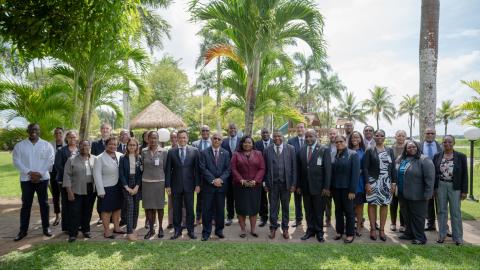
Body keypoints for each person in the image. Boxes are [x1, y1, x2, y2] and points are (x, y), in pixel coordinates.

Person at [12, 123, 55, 241]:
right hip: (26, 179)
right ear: (27, 131)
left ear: (39, 130)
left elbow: (50, 160)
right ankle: (23, 231)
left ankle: (46, 228)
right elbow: (16, 161)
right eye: (31, 129)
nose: (33, 131)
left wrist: (40, 173)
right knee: (26, 205)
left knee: (44, 204)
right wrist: (29, 173)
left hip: (43, 179)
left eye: (35, 129)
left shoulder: (46, 145)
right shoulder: (20, 146)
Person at [165, 130, 201, 240]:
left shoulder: (194, 151)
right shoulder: (171, 152)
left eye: (184, 137)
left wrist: (198, 184)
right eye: (180, 137)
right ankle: (177, 230)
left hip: (190, 185)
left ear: (187, 138)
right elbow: (168, 170)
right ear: (177, 139)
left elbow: (197, 170)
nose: (182, 140)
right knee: (176, 209)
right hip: (175, 186)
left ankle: (190, 230)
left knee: (190, 209)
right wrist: (168, 185)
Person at [397, 140, 435, 244]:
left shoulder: (424, 159)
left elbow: (430, 178)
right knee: (406, 215)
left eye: (414, 147)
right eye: (409, 147)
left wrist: (428, 193)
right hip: (402, 193)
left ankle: (420, 238)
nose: (411, 149)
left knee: (418, 216)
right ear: (405, 149)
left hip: (418, 194)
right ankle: (409, 233)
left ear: (418, 147)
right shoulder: (403, 159)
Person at [297, 129, 331, 243]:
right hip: (305, 187)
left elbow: (328, 170)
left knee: (318, 211)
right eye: (306, 137)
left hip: (319, 188)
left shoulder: (324, 149)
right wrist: (299, 186)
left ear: (316, 136)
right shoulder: (301, 150)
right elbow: (299, 170)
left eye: (310, 136)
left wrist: (326, 187)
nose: (308, 139)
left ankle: (319, 233)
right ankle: (310, 231)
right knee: (308, 211)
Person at [433, 135, 468, 245]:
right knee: (441, 211)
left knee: (455, 212)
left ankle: (458, 237)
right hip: (441, 186)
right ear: (442, 143)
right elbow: (434, 174)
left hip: (455, 187)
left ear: (454, 143)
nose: (447, 144)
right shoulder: (437, 156)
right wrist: (434, 188)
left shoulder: (461, 156)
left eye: (450, 142)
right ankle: (442, 235)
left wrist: (464, 191)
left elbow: (464, 175)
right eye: (445, 142)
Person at [363, 129, 396, 242]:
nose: (379, 137)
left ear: (384, 137)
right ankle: (372, 229)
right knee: (372, 204)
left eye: (382, 135)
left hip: (386, 181)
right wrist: (367, 183)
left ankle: (382, 230)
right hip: (373, 181)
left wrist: (393, 182)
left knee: (384, 204)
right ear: (374, 137)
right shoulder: (369, 150)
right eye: (377, 135)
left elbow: (392, 168)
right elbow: (365, 168)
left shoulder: (389, 150)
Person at [263, 130, 296, 239]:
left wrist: (293, 184)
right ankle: (273, 228)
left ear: (283, 137)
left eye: (279, 136)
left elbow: (294, 168)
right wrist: (265, 183)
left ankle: (285, 228)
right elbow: (264, 168)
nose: (277, 138)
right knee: (273, 207)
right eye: (275, 136)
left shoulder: (290, 149)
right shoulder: (267, 150)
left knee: (285, 207)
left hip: (286, 184)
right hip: (272, 184)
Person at [231, 135, 266, 238]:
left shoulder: (258, 153)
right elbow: (233, 169)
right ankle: (242, 229)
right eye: (245, 142)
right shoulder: (236, 154)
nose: (247, 144)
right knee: (241, 208)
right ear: (242, 143)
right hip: (240, 186)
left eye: (249, 142)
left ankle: (253, 229)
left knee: (253, 208)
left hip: (255, 186)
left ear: (252, 144)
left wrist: (255, 181)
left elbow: (262, 168)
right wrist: (241, 180)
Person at [199, 132, 231, 241]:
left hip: (221, 187)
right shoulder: (204, 153)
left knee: (220, 210)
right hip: (208, 187)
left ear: (222, 141)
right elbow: (203, 169)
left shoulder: (226, 153)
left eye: (219, 139)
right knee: (207, 210)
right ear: (211, 140)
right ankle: (206, 232)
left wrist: (220, 179)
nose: (216, 140)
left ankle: (219, 230)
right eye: (215, 138)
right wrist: (213, 180)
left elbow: (228, 169)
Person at [62, 140, 96, 242]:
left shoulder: (95, 159)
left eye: (86, 145)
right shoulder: (71, 160)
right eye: (82, 145)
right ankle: (73, 233)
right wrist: (69, 191)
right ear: (78, 146)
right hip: (76, 189)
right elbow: (67, 175)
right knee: (75, 212)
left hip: (91, 189)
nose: (84, 147)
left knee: (88, 211)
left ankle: (86, 230)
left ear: (90, 146)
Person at [93, 136, 124, 239]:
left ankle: (117, 227)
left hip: (119, 186)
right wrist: (100, 190)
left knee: (117, 208)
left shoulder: (121, 155)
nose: (113, 146)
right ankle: (107, 231)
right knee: (106, 210)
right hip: (106, 187)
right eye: (110, 144)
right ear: (106, 145)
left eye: (115, 144)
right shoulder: (99, 158)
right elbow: (96, 175)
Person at [331, 135, 359, 243]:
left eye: (341, 141)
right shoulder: (333, 154)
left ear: (345, 141)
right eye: (336, 142)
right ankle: (339, 231)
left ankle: (350, 234)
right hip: (336, 188)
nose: (338, 143)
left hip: (348, 189)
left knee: (349, 212)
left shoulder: (353, 154)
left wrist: (352, 190)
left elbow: (355, 174)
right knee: (338, 211)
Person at [141, 131, 168, 239]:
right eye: (151, 138)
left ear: (158, 139)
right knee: (149, 208)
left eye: (155, 138)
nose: (153, 140)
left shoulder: (164, 152)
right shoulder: (143, 151)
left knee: (159, 207)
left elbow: (165, 168)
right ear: (148, 139)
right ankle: (151, 229)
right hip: (146, 183)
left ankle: (160, 228)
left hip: (159, 183)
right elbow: (142, 166)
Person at [54, 130, 79, 233]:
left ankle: (76, 225)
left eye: (74, 137)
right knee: (66, 204)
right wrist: (69, 174)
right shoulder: (61, 150)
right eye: (70, 137)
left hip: (78, 182)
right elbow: (58, 166)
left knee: (76, 204)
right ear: (67, 139)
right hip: (64, 181)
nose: (72, 139)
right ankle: (67, 227)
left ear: (77, 138)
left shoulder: (79, 150)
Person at [119, 138, 142, 241]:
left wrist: (137, 186)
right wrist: (127, 187)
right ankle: (129, 233)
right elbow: (121, 174)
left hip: (137, 185)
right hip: (126, 185)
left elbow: (141, 174)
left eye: (134, 145)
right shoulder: (123, 158)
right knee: (130, 207)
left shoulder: (139, 158)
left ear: (137, 147)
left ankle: (133, 228)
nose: (132, 147)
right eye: (130, 145)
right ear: (127, 146)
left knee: (136, 207)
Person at [419, 127, 442, 231]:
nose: (430, 135)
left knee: (440, 202)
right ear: (424, 134)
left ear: (435, 134)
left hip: (438, 178)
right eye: (428, 133)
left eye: (432, 133)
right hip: (423, 178)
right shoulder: (419, 146)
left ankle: (443, 226)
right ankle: (430, 223)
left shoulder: (441, 146)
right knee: (428, 201)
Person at [91, 123, 112, 225]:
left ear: (110, 130)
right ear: (100, 130)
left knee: (111, 196)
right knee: (101, 196)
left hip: (111, 175)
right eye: (103, 128)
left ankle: (111, 216)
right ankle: (101, 216)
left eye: (107, 128)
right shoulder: (95, 144)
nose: (105, 130)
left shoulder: (114, 142)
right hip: (100, 174)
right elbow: (93, 158)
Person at [221, 123, 241, 226]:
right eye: (230, 128)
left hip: (239, 173)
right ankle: (229, 216)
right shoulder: (224, 142)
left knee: (239, 195)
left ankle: (240, 216)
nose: (232, 130)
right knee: (229, 196)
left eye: (234, 128)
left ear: (236, 130)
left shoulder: (241, 141)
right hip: (227, 174)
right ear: (228, 130)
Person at [287, 122, 306, 227]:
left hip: (308, 177)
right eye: (298, 127)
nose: (300, 129)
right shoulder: (291, 141)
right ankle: (298, 219)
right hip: (296, 175)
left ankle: (310, 219)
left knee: (308, 200)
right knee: (297, 199)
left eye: (301, 127)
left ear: (305, 128)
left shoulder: (309, 139)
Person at [192, 125, 212, 226]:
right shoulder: (195, 144)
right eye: (203, 130)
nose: (205, 132)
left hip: (212, 175)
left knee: (212, 198)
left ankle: (211, 218)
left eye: (207, 130)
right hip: (199, 176)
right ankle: (198, 218)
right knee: (199, 199)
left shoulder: (214, 142)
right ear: (200, 132)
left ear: (209, 131)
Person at [348, 131, 366, 236]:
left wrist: (360, 170)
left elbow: (366, 167)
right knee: (349, 207)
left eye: (357, 137)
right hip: (348, 183)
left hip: (359, 183)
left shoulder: (364, 152)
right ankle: (349, 226)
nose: (355, 139)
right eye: (353, 137)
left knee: (359, 206)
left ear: (360, 139)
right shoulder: (346, 151)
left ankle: (358, 227)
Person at [254, 127, 272, 227]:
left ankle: (274, 218)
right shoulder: (256, 144)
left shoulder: (275, 141)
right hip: (260, 174)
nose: (265, 134)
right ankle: (263, 217)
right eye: (263, 133)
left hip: (273, 175)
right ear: (261, 134)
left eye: (267, 132)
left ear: (270, 133)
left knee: (273, 198)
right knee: (262, 198)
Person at [391, 130, 407, 232]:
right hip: (393, 178)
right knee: (393, 202)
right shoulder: (390, 149)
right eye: (399, 136)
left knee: (403, 203)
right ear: (395, 137)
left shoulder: (408, 148)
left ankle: (402, 224)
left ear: (405, 137)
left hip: (404, 180)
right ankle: (393, 223)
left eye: (402, 136)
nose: (400, 137)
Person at [49, 127, 64, 226]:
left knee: (65, 195)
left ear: (62, 134)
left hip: (64, 173)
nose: (58, 134)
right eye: (56, 133)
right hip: (53, 172)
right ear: (54, 135)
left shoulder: (67, 145)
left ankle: (66, 215)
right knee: (55, 195)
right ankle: (58, 215)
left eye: (60, 133)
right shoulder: (49, 145)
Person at [324, 128, 338, 227]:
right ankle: (328, 220)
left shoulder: (341, 145)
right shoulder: (325, 147)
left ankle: (339, 220)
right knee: (327, 201)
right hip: (328, 177)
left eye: (334, 134)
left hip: (338, 177)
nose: (332, 135)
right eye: (331, 134)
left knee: (338, 201)